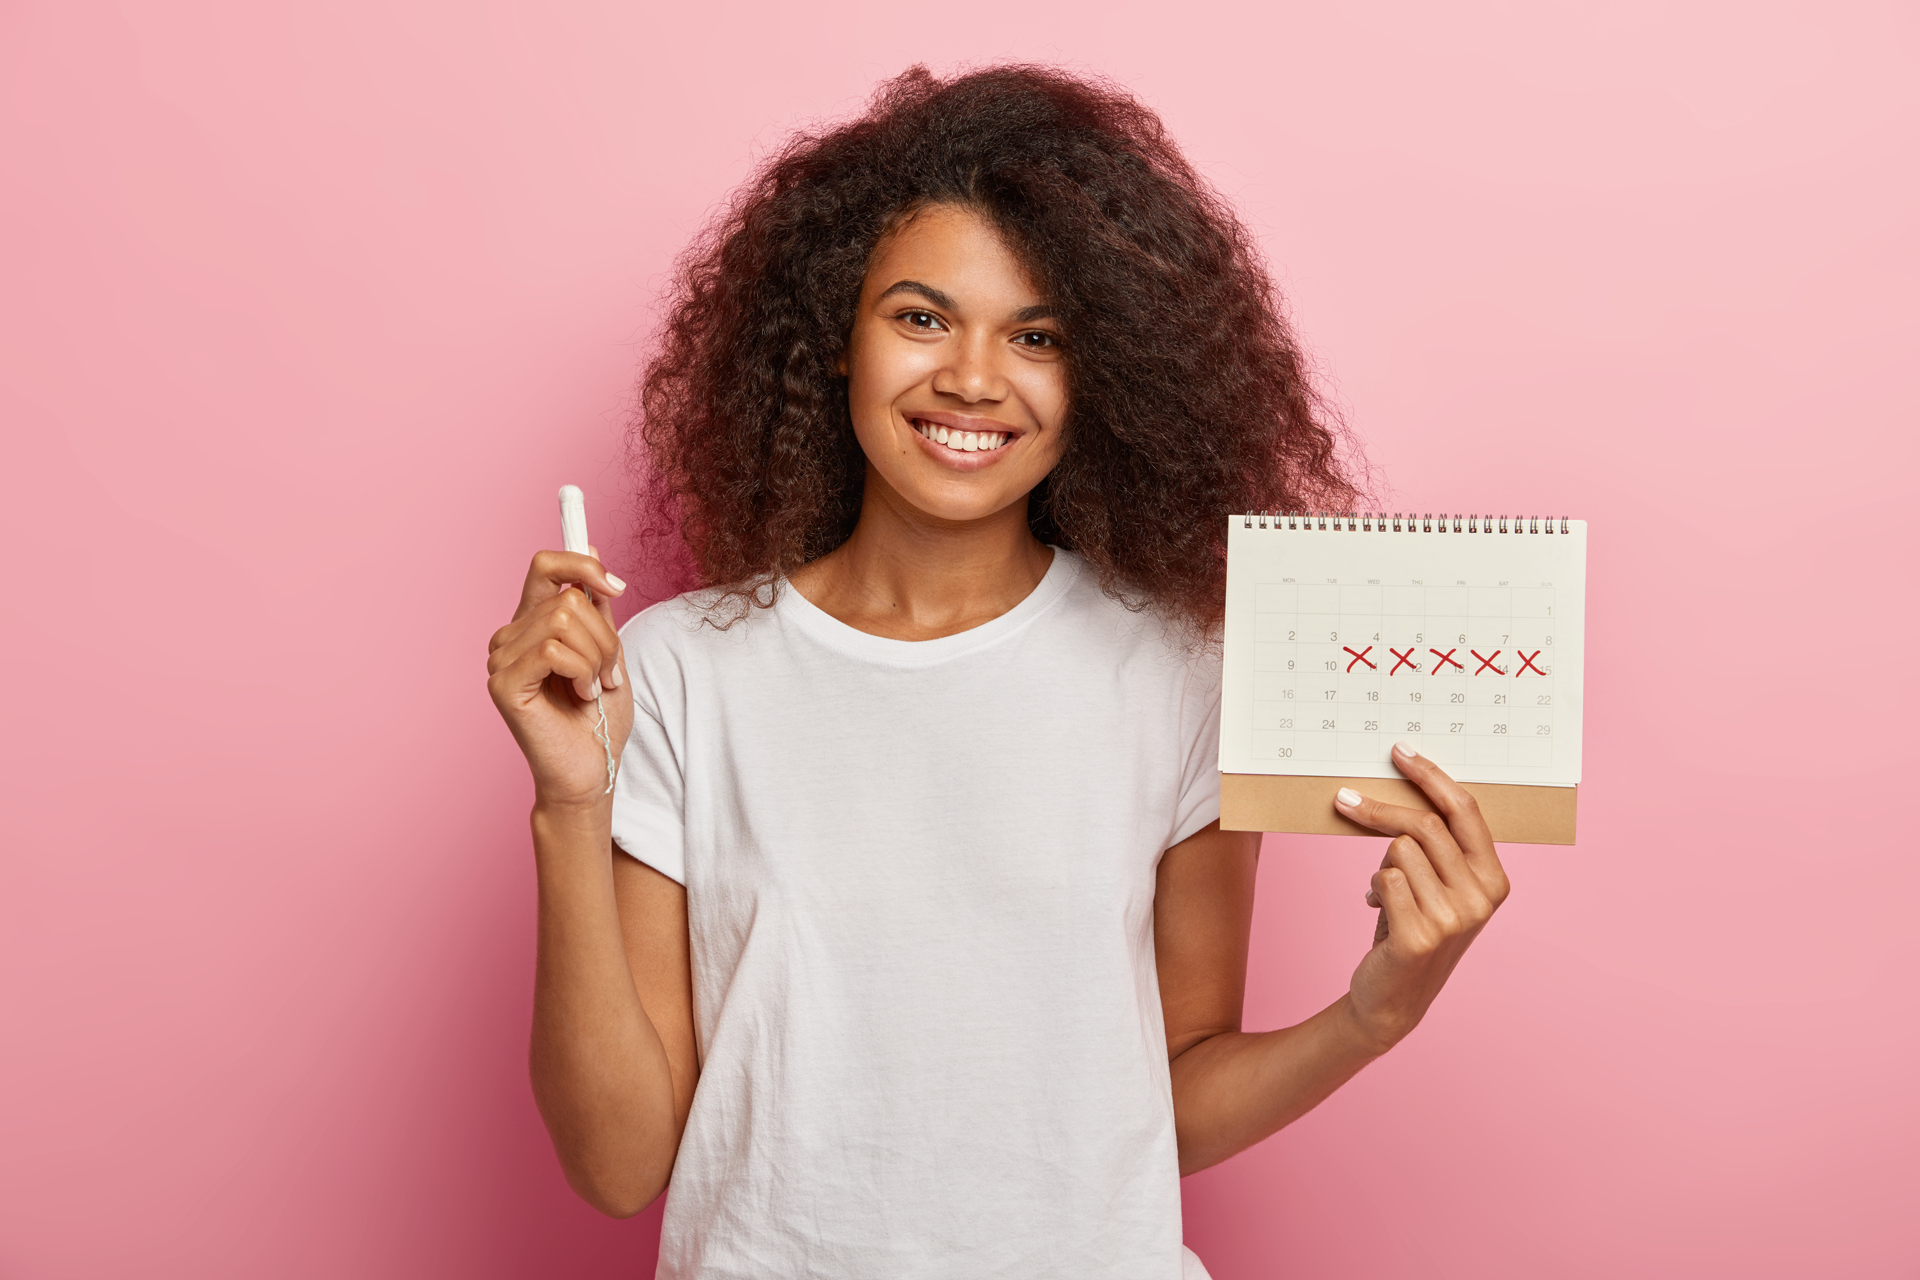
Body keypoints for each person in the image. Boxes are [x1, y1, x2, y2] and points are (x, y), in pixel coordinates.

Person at [486, 64, 1510, 1280]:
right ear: (831, 335)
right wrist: (566, 802)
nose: (974, 378)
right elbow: (617, 1165)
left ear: (1109, 375)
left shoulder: (1181, 670)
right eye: (921, 317)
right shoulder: (676, 672)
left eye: (1038, 336)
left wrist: (1374, 1011)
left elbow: (1165, 1099)